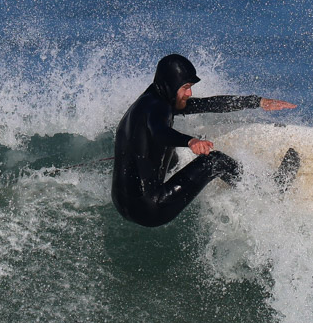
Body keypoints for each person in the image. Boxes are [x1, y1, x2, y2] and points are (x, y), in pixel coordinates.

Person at [112, 54, 298, 227]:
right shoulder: (158, 107)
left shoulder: (148, 101)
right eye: (185, 87)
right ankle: (269, 191)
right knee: (214, 161)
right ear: (171, 85)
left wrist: (257, 102)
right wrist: (190, 141)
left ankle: (172, 168)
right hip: (151, 208)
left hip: (123, 205)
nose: (189, 93)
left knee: (171, 154)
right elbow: (160, 133)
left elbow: (207, 104)